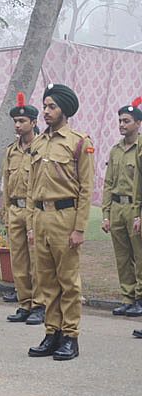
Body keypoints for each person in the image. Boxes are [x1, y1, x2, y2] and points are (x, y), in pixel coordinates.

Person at [27, 83, 93, 361]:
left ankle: (70, 336)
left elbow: (86, 189)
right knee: (46, 282)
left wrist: (79, 229)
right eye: (44, 106)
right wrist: (31, 223)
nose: (46, 111)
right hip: (42, 218)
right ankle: (51, 332)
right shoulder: (38, 143)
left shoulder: (79, 142)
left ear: (65, 109)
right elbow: (31, 186)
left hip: (66, 218)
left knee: (68, 282)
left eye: (52, 106)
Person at [2, 92, 45, 325]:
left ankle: (40, 304)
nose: (18, 126)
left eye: (22, 122)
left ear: (34, 123)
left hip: (34, 210)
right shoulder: (11, 150)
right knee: (18, 260)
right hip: (15, 209)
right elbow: (6, 183)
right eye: (16, 122)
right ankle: (24, 302)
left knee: (37, 259)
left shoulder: (41, 147)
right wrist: (7, 211)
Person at [104, 98, 142, 317]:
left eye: (126, 121)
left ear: (138, 123)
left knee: (139, 256)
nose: (121, 125)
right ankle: (127, 298)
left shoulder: (140, 148)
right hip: (118, 208)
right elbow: (109, 183)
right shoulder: (115, 150)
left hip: (134, 209)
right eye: (119, 121)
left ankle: (139, 298)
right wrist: (106, 214)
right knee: (122, 257)